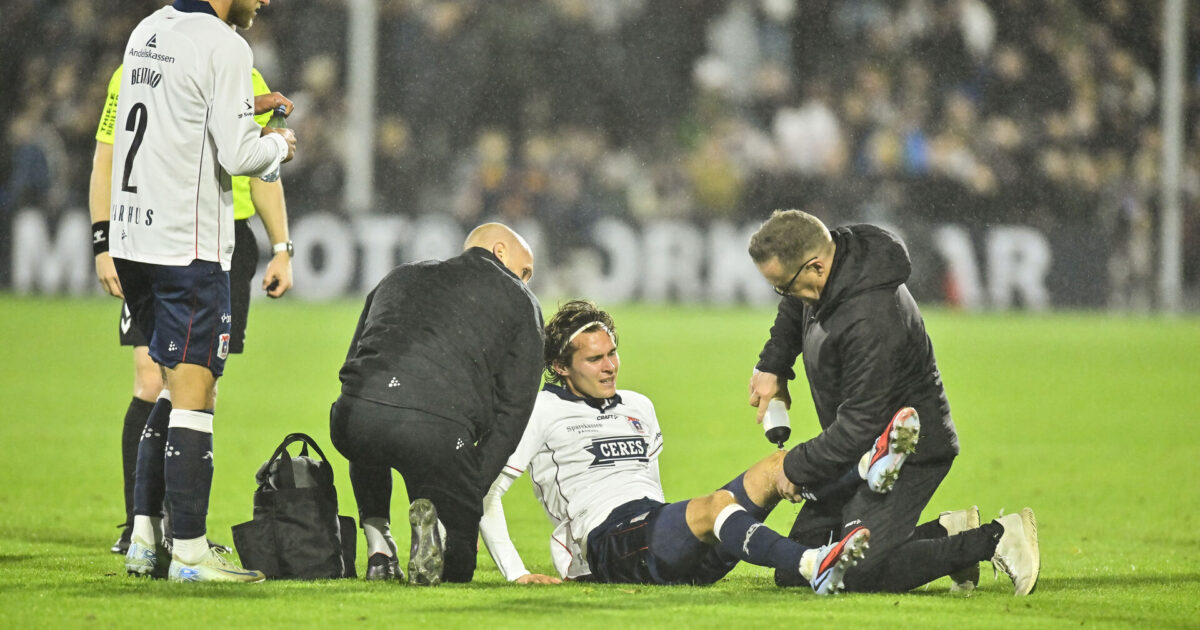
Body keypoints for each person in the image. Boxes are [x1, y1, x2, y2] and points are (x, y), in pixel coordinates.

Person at [478, 299, 913, 594]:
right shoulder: (541, 409)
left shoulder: (639, 405)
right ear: (560, 367)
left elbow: (645, 481)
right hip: (609, 543)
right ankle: (812, 564)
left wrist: (676, 539)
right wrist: (517, 574)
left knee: (775, 468)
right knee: (714, 505)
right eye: (595, 359)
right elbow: (487, 494)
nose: (610, 366)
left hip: (658, 540)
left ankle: (864, 468)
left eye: (612, 353)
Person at [746, 209, 1040, 595]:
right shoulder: (830, 270)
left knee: (853, 573)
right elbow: (794, 307)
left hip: (908, 448)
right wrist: (773, 365)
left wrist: (794, 466)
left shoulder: (872, 318)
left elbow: (859, 425)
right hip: (858, 453)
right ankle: (948, 532)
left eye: (784, 286)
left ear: (815, 266)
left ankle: (997, 537)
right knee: (799, 563)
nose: (785, 297)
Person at [108, 0, 296, 583]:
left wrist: (246, 104)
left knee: (166, 384)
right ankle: (189, 550)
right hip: (187, 247)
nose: (264, 1)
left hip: (135, 240)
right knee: (196, 393)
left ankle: (143, 538)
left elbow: (172, 114)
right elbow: (241, 154)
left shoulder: (149, 29)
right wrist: (281, 145)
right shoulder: (225, 44)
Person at [329, 223, 544, 586]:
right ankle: (442, 536)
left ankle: (379, 547)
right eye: (524, 271)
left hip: (353, 420)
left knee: (374, 412)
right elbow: (513, 413)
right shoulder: (521, 302)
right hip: (437, 434)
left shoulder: (398, 277)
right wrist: (469, 493)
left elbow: (355, 365)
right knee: (459, 566)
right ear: (500, 253)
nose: (525, 281)